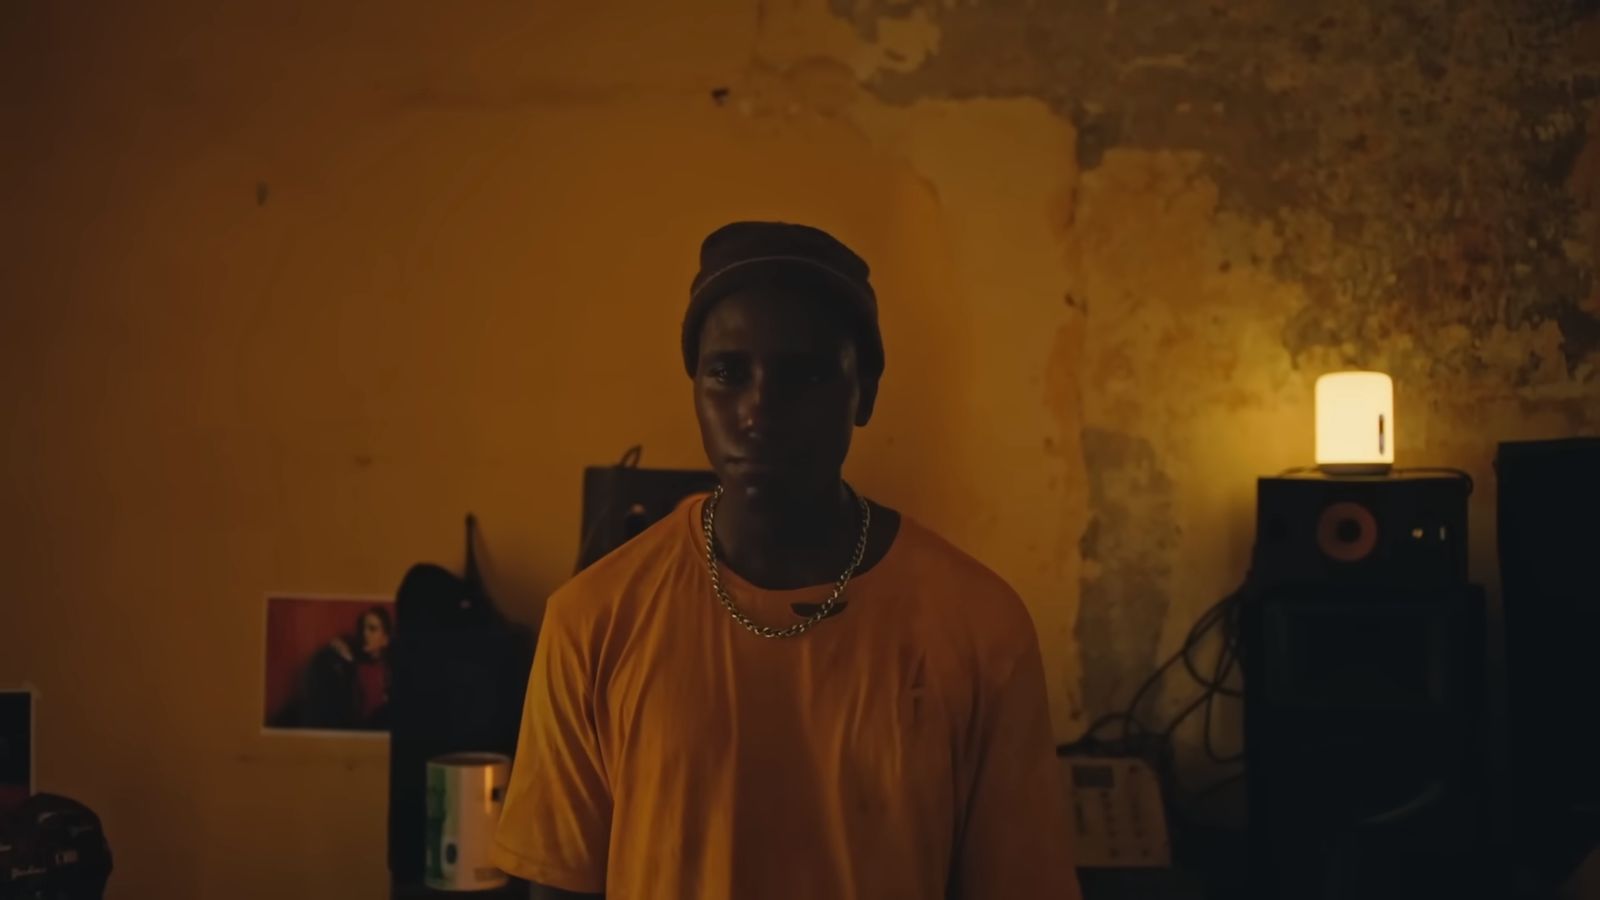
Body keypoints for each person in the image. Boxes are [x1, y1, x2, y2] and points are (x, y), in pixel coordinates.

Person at [492, 222, 1081, 899]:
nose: (757, 410)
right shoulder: (592, 622)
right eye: (727, 373)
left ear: (866, 391)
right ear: (694, 386)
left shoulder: (980, 629)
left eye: (803, 374)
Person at [273, 605, 393, 731]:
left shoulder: (389, 669)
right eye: (362, 628)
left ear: (385, 639)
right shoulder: (349, 661)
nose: (364, 633)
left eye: (372, 629)